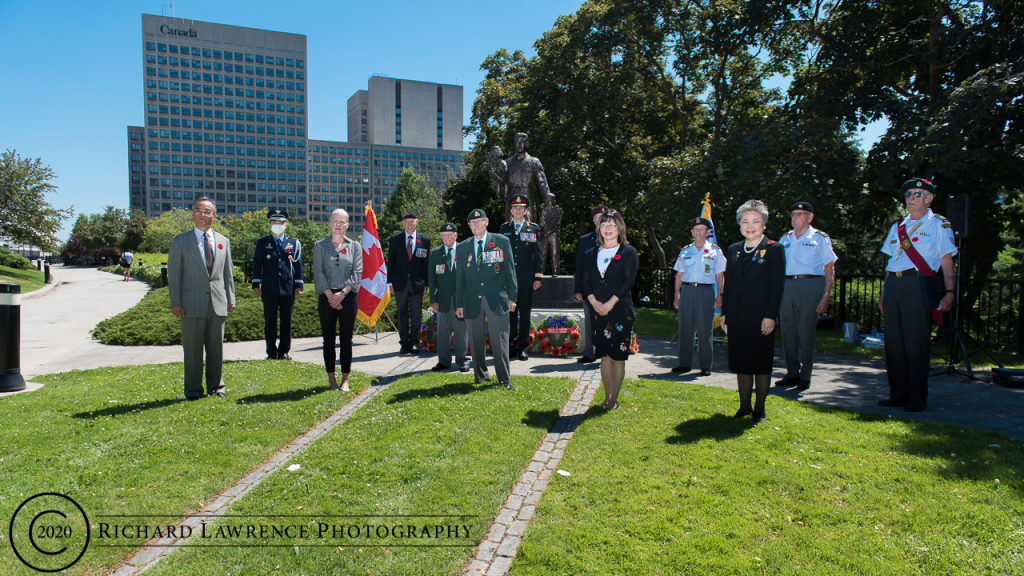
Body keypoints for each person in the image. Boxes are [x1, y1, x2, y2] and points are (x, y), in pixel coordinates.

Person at [877, 178, 956, 412]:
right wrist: (883, 295)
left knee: (916, 343)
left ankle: (917, 397)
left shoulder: (938, 225)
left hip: (917, 284)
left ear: (929, 198)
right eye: (908, 194)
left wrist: (950, 292)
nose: (911, 198)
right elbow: (891, 262)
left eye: (917, 194)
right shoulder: (897, 226)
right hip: (894, 285)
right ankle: (898, 393)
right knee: (893, 343)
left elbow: (946, 259)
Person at [720, 200, 785, 423]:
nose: (750, 226)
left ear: (764, 224)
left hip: (761, 318)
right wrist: (725, 313)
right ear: (739, 225)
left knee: (761, 363)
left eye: (755, 221)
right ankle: (744, 406)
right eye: (745, 221)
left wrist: (770, 316)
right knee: (742, 363)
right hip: (737, 317)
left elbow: (777, 287)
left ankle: (759, 409)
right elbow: (729, 285)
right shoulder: (734, 249)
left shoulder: (774, 249)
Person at [167, 198, 236, 400]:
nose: (203, 214)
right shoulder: (179, 241)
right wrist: (175, 302)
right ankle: (193, 390)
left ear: (214, 216)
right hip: (190, 304)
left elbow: (227, 273)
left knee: (216, 350)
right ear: (192, 213)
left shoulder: (223, 241)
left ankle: (216, 388)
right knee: (193, 351)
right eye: (199, 210)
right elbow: (174, 275)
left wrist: (231, 298)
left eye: (207, 211)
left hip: (218, 303)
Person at [776, 201, 838, 390]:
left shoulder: (819, 238)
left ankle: (805, 375)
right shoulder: (785, 238)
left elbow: (829, 267)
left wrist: (826, 294)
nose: (795, 217)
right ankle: (792, 373)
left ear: (810, 217)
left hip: (810, 284)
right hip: (786, 285)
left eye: (800, 214)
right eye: (793, 214)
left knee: (806, 330)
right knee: (788, 331)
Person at [455, 209, 518, 390]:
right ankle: (481, 376)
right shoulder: (462, 247)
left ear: (487, 222)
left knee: (500, 341)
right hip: (472, 300)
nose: (476, 225)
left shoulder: (501, 242)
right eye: (472, 223)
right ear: (469, 226)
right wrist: (459, 304)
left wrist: (512, 298)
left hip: (497, 299)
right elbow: (460, 279)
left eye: (479, 221)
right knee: (475, 342)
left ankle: (504, 380)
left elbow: (510, 272)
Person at [581, 209, 638, 409]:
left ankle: (615, 399)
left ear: (619, 227)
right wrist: (594, 303)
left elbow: (628, 281)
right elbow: (585, 281)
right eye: (604, 225)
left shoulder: (628, 252)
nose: (607, 229)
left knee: (618, 357)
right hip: (599, 312)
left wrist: (610, 303)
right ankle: (607, 396)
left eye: (612, 225)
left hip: (620, 311)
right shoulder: (591, 253)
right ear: (598, 228)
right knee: (604, 356)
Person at [312, 209, 363, 391]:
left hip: (348, 298)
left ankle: (345, 380)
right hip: (326, 298)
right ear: (330, 223)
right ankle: (331, 380)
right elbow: (318, 273)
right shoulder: (320, 246)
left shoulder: (355, 246)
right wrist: (331, 297)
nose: (338, 225)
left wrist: (342, 294)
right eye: (335, 221)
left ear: (347, 225)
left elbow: (357, 273)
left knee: (346, 339)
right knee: (328, 340)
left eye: (342, 222)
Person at [672, 217, 726, 375]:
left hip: (706, 292)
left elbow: (720, 276)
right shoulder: (685, 251)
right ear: (692, 232)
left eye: (702, 229)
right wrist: (677, 295)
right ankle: (684, 364)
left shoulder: (715, 251)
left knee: (704, 330)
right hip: (687, 291)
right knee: (685, 329)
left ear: (708, 232)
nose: (698, 232)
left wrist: (720, 295)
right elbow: (679, 275)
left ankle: (705, 365)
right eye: (696, 229)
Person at [252, 208, 304, 360]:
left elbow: (298, 265)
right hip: (269, 288)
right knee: (270, 321)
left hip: (287, 287)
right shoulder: (262, 243)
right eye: (274, 221)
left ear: (285, 225)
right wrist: (256, 284)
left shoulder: (293, 243)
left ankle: (284, 351)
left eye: (281, 222)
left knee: (286, 321)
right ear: (269, 225)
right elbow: (257, 264)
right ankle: (271, 351)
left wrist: (298, 285)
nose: (278, 224)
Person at [500, 194, 543, 361]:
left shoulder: (533, 229)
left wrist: (538, 278)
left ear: (526, 211)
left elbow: (538, 255)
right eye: (515, 208)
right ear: (511, 211)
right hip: (508, 280)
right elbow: (499, 254)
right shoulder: (504, 229)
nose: (518, 210)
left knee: (525, 315)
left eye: (521, 208)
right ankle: (510, 347)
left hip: (526, 279)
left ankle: (523, 348)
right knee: (510, 315)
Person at [428, 222, 470, 372]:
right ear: (441, 237)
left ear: (456, 235)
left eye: (450, 234)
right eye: (444, 235)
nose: (447, 237)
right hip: (442, 299)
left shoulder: (464, 250)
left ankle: (462, 360)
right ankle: (444, 360)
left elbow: (469, 276)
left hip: (460, 300)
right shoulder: (435, 253)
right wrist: (433, 299)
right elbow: (431, 279)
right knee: (443, 331)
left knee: (461, 331)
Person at [387, 212, 431, 354]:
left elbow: (426, 264)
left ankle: (413, 342)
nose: (410, 224)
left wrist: (427, 283)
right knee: (402, 313)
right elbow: (391, 262)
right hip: (399, 283)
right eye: (407, 222)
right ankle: (404, 342)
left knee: (416, 314)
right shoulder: (395, 239)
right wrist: (389, 283)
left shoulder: (424, 240)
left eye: (412, 221)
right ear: (403, 223)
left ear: (417, 222)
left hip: (418, 283)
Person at [574, 205, 610, 364]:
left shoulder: (613, 239)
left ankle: (605, 352)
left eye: (602, 217)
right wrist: (578, 289)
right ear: (594, 221)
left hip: (608, 289)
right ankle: (589, 352)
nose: (599, 220)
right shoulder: (585, 240)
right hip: (589, 289)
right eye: (597, 218)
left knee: (607, 320)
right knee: (589, 320)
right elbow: (579, 267)